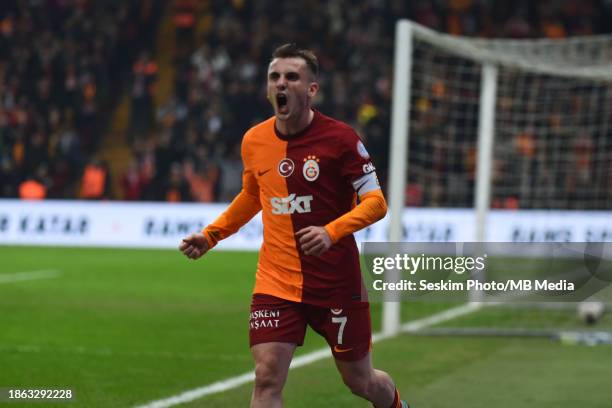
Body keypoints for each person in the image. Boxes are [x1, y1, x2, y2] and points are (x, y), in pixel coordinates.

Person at [179, 43, 409, 408]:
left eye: (292, 77)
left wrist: (331, 231)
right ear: (269, 88)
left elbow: (377, 203)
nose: (281, 83)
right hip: (277, 281)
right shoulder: (254, 140)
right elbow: (252, 197)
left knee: (361, 381)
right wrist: (211, 235)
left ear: (312, 89)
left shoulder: (342, 140)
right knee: (267, 377)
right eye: (275, 77)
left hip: (336, 282)